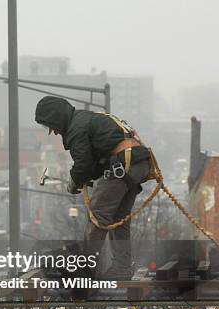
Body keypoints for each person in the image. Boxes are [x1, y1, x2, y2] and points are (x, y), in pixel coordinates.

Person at [35, 96, 151, 280]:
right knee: (119, 219)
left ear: (56, 118)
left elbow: (83, 164)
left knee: (97, 216)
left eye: (52, 126)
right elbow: (95, 164)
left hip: (123, 165)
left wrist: (74, 182)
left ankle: (84, 271)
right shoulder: (86, 118)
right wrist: (84, 178)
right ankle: (121, 268)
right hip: (137, 164)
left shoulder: (75, 127)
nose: (54, 132)